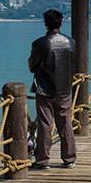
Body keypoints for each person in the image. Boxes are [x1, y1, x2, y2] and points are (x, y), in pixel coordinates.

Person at [28, 10, 76, 170]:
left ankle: (43, 160)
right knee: (65, 123)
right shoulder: (70, 42)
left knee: (45, 124)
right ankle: (69, 158)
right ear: (61, 22)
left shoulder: (40, 43)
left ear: (46, 23)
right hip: (65, 89)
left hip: (45, 89)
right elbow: (73, 65)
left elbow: (31, 65)